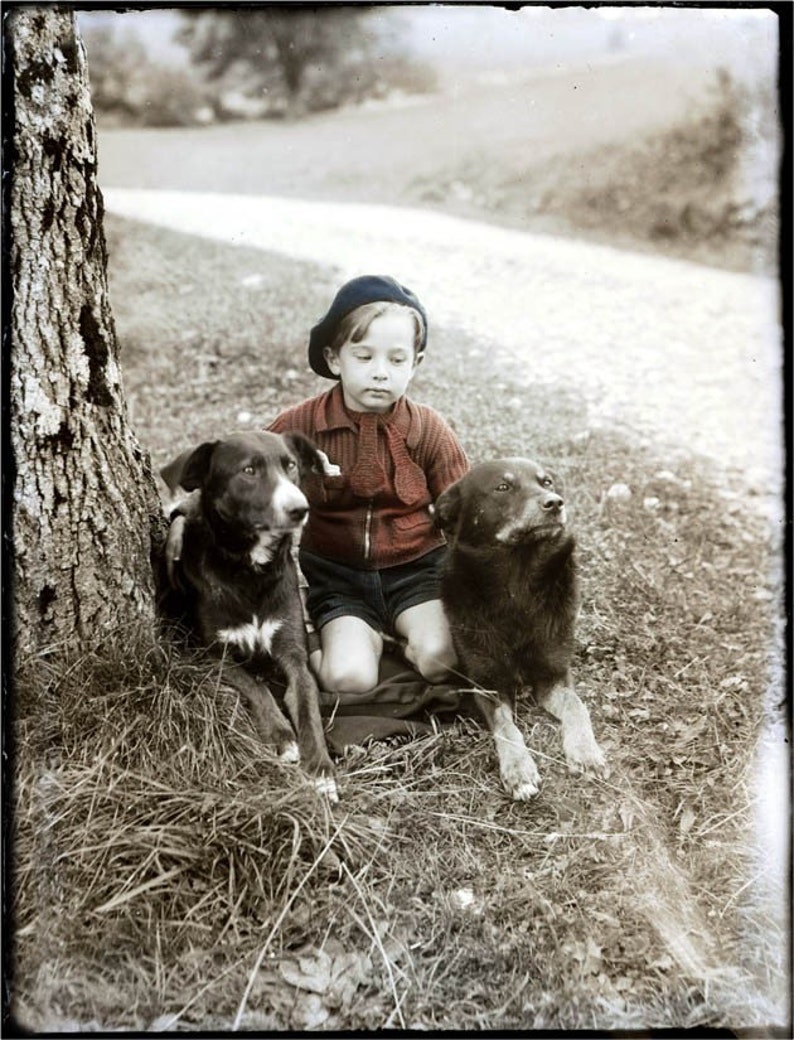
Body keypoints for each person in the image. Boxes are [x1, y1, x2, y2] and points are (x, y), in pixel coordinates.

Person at [267, 274, 469, 695]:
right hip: (339, 581)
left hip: (418, 574)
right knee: (349, 679)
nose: (380, 374)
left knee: (442, 661)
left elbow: (464, 511)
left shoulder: (429, 429)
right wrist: (186, 513)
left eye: (397, 361)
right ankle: (340, 642)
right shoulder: (299, 425)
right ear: (335, 358)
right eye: (364, 357)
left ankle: (403, 640)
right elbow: (245, 470)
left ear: (416, 363)